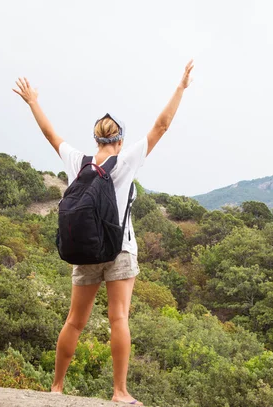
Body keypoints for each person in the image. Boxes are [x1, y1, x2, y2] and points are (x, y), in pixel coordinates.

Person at [12, 60, 194, 405]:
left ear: (96, 137)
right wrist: (181, 87)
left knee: (74, 321)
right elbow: (162, 125)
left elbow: (51, 135)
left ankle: (56, 388)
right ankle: (119, 392)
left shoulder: (77, 161)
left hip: (83, 249)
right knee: (118, 317)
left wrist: (33, 101)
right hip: (120, 250)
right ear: (120, 138)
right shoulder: (126, 160)